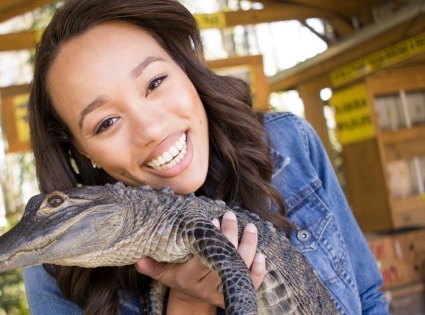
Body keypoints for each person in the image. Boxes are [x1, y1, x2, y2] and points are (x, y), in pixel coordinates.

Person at [23, 0, 389, 314]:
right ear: (81, 150)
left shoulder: (288, 142)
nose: (150, 129)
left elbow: (368, 297)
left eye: (154, 83)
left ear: (186, 68)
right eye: (106, 122)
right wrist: (187, 303)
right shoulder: (55, 258)